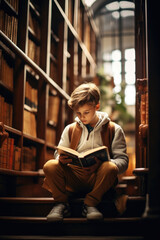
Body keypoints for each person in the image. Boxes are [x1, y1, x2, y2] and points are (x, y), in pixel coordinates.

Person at [43, 82, 129, 222]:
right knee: (50, 165)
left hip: (99, 179)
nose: (82, 117)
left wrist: (104, 162)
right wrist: (60, 158)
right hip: (74, 178)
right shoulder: (70, 129)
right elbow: (58, 153)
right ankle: (61, 203)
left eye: (86, 113)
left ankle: (90, 203)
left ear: (97, 106)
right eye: (78, 113)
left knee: (110, 167)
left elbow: (123, 161)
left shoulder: (114, 129)